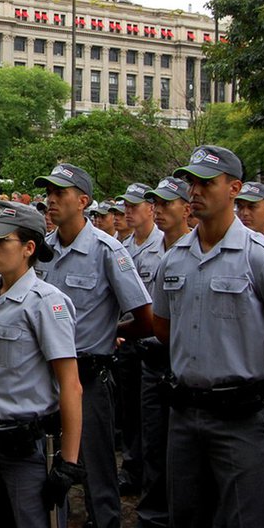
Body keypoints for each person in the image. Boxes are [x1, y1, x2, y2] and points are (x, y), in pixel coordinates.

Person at [152, 146, 264, 528]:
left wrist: (253, 361)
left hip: (243, 417)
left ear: (234, 188)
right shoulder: (174, 258)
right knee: (187, 523)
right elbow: (163, 326)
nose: (195, 191)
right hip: (186, 414)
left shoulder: (261, 257)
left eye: (207, 183)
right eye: (192, 182)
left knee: (249, 524)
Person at [33, 164, 152, 528]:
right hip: (44, 378)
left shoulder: (107, 250)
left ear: (83, 201)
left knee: (98, 470)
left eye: (60, 194)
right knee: (49, 466)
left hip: (87, 378)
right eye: (48, 193)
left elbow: (145, 317)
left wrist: (111, 334)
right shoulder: (42, 249)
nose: (51, 201)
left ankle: (105, 527)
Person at [0, 201, 84, 528]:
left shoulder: (46, 302)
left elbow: (71, 384)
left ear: (29, 248)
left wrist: (68, 463)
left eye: (1, 242)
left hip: (25, 448)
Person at [133, 177, 191, 528]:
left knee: (188, 456)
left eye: (169, 203)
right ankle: (153, 520)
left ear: (188, 208)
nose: (160, 208)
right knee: (154, 447)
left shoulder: (193, 252)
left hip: (185, 364)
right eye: (156, 202)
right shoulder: (152, 251)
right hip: (154, 360)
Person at [116, 183, 165, 496]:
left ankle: (152, 474)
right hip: (128, 340)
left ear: (151, 208)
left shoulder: (166, 245)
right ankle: (133, 467)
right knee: (130, 411)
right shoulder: (122, 246)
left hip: (157, 342)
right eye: (126, 206)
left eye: (135, 206)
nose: (128, 212)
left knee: (155, 418)